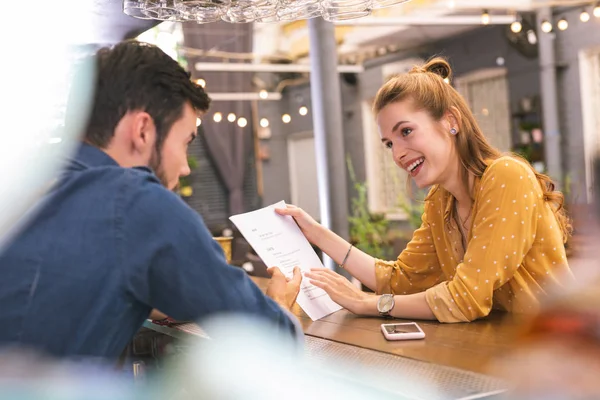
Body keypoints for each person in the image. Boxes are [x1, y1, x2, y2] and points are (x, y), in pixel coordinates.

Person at [0, 40, 301, 360]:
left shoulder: (25, 181)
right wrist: (281, 304)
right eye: (185, 142)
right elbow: (268, 339)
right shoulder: (135, 201)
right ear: (143, 129)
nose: (185, 167)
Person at [277, 57, 573, 323]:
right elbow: (399, 280)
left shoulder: (507, 176)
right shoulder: (441, 201)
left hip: (562, 353)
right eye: (390, 144)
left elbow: (465, 298)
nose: (398, 154)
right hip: (504, 351)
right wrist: (314, 231)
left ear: (451, 122)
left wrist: (368, 303)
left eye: (406, 132)